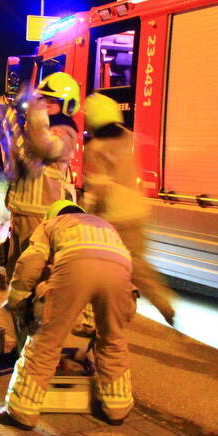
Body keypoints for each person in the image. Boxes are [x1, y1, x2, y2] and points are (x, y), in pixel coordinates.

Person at [0, 200, 137, 430]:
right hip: (120, 275)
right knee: (112, 340)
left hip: (76, 266)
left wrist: (15, 299)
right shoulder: (103, 225)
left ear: (52, 215)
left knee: (45, 342)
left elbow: (30, 263)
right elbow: (103, 269)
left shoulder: (51, 224)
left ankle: (21, 412)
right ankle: (117, 409)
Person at [83, 93, 177, 325]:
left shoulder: (95, 148)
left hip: (113, 216)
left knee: (98, 267)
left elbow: (98, 187)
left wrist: (87, 215)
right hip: (137, 209)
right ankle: (162, 301)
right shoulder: (129, 138)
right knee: (138, 265)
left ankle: (96, 319)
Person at [0, 72, 81, 283]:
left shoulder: (65, 132)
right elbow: (10, 162)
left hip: (40, 217)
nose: (44, 105)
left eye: (51, 101)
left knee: (33, 277)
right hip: (20, 213)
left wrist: (33, 112)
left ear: (68, 105)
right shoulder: (33, 130)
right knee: (14, 277)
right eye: (42, 99)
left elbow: (43, 146)